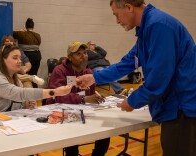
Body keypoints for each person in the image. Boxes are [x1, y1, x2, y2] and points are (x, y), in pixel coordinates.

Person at [76, 1, 196, 155]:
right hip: (176, 107)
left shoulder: (159, 26)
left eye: (116, 14)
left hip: (182, 109)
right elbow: (127, 63)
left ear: (128, 7)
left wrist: (133, 101)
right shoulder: (148, 28)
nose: (117, 21)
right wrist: (95, 78)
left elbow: (159, 78)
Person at [47, 42, 110, 156]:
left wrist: (96, 96)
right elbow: (59, 97)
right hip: (61, 112)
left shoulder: (88, 72)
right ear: (70, 57)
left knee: (105, 131)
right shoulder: (60, 71)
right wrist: (84, 99)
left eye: (85, 53)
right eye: (78, 54)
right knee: (72, 136)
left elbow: (89, 95)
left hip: (82, 111)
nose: (84, 56)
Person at [0, 44, 72, 115]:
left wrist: (26, 105)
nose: (20, 61)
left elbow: (17, 101)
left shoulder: (16, 80)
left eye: (20, 58)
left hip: (2, 123)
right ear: (3, 60)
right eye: (15, 58)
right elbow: (20, 94)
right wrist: (54, 92)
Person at [13, 18, 41, 88]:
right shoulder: (38, 35)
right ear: (33, 26)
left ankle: (26, 94)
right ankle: (36, 95)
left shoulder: (20, 34)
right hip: (37, 56)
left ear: (25, 26)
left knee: (25, 77)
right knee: (34, 76)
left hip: (25, 56)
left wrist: (20, 30)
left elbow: (10, 33)